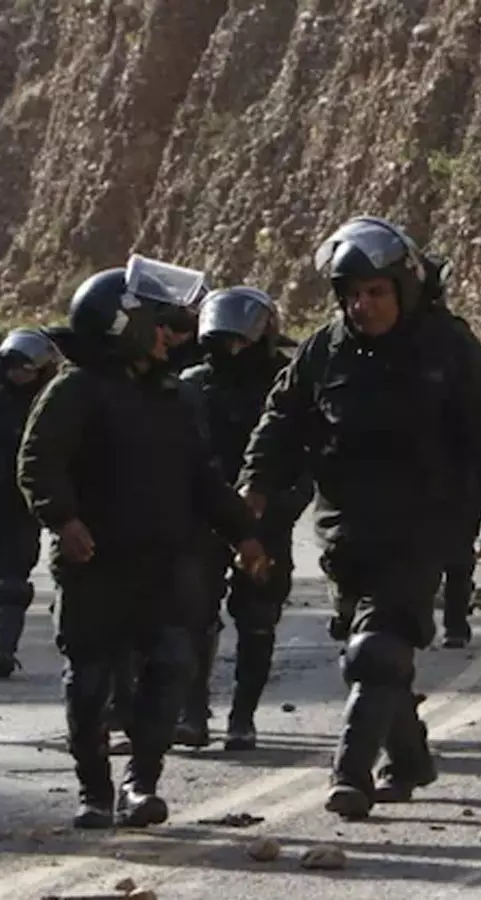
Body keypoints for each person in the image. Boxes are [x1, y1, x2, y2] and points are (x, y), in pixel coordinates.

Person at [238, 216, 481, 819]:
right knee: (372, 653)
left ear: (405, 289)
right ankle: (410, 759)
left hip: (424, 526)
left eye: (376, 292)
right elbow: (282, 418)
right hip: (347, 529)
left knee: (374, 651)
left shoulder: (452, 348)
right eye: (353, 293)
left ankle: (350, 774)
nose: (363, 305)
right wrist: (255, 486)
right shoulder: (325, 349)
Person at [18, 258, 269, 829]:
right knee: (90, 682)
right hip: (95, 565)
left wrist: (244, 534)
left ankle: (142, 784)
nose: (169, 336)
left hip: (164, 563)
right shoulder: (75, 390)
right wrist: (64, 520)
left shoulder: (173, 396)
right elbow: (38, 462)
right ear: (122, 324)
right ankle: (94, 790)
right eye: (158, 324)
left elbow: (203, 478)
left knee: (172, 665)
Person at [176, 287, 310, 751]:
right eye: (222, 342)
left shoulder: (287, 384)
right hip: (204, 518)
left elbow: (305, 455)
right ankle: (192, 712)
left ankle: (242, 717)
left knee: (257, 619)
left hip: (266, 518)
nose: (231, 352)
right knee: (194, 615)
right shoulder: (192, 386)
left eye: (240, 342)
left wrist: (280, 505)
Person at [0, 328, 62, 678]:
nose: (19, 374)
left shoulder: (51, 407)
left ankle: (3, 650)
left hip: (24, 506)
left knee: (12, 581)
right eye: (13, 366)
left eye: (27, 368)